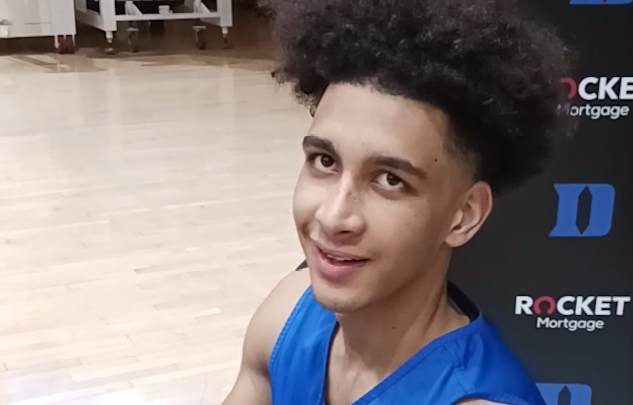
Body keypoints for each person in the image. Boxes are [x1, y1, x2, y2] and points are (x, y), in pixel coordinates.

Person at [223, 0, 571, 404]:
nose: (334, 216)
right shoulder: (285, 314)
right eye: (325, 161)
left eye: (390, 180)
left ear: (464, 216)